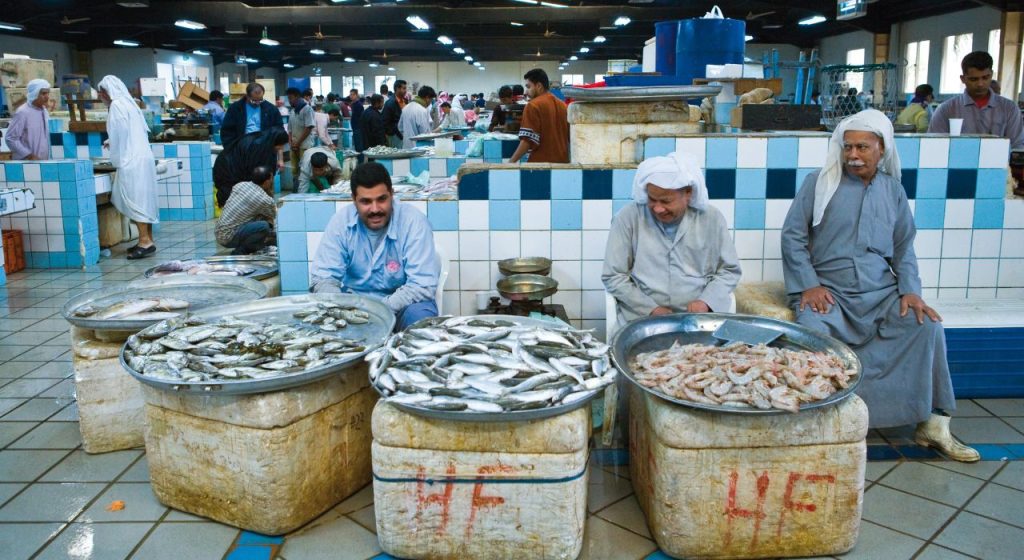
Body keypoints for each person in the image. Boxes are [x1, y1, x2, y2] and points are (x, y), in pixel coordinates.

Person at [781, 109, 979, 462]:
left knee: (926, 325)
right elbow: (793, 237)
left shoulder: (893, 190)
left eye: (862, 148)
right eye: (847, 147)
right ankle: (820, 422)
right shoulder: (819, 183)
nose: (853, 156)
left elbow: (903, 248)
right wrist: (808, 285)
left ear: (882, 149)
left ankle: (934, 423)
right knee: (812, 331)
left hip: (880, 293)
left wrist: (910, 291)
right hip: (832, 293)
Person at [603, 151, 741, 325]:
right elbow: (613, 276)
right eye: (652, 199)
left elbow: (729, 271)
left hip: (699, 320)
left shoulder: (711, 219)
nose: (658, 208)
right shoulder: (628, 218)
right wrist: (651, 309)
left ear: (688, 193)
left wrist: (706, 302)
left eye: (666, 201)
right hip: (641, 318)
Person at [310, 161, 440, 330]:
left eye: (382, 199)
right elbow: (323, 278)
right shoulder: (341, 222)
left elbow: (422, 285)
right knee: (321, 313)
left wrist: (379, 310)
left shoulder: (414, 222)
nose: (375, 209)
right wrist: (343, 310)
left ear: (392, 194)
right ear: (354, 200)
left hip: (402, 307)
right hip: (354, 308)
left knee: (421, 316)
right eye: (366, 201)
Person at [98, 75, 159, 260]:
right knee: (145, 200)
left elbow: (120, 134)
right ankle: (148, 239)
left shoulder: (116, 106)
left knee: (136, 201)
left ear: (106, 92)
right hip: (143, 157)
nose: (100, 96)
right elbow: (132, 131)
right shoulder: (130, 104)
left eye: (101, 93)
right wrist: (112, 141)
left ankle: (144, 242)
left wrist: (115, 158)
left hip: (131, 161)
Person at [929, 51, 1024, 149]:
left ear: (991, 75)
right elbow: (934, 146)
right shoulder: (946, 110)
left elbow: (1017, 147)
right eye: (973, 79)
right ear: (963, 79)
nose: (980, 84)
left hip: (1001, 164)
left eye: (985, 78)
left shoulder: (1009, 109)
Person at [213, 127, 289, 207]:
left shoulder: (266, 142)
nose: (281, 148)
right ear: (276, 142)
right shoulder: (258, 146)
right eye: (281, 145)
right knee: (234, 202)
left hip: (234, 167)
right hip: (227, 169)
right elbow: (254, 177)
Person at [510, 69, 569, 163]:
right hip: (562, 164)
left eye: (528, 87)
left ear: (539, 86)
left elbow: (527, 141)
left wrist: (511, 162)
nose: (526, 92)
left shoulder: (533, 106)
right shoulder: (563, 106)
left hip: (541, 166)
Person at [216, 165, 276, 255]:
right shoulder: (264, 200)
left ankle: (253, 245)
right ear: (267, 181)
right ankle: (241, 251)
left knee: (260, 217)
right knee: (264, 226)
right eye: (271, 179)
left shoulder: (240, 185)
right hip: (228, 238)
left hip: (219, 232)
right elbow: (274, 216)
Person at [220, 82, 284, 150]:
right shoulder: (235, 109)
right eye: (254, 101)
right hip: (242, 150)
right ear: (247, 96)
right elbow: (227, 131)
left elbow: (278, 129)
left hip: (264, 150)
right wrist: (231, 149)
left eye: (260, 100)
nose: (257, 103)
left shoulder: (271, 109)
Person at [6, 79, 51, 160]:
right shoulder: (23, 112)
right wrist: (29, 155)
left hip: (43, 163)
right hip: (26, 164)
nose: (47, 96)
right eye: (43, 93)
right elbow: (10, 138)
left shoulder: (44, 111)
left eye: (48, 93)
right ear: (34, 93)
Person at [287, 87, 316, 190]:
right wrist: (291, 142)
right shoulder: (292, 111)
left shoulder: (307, 109)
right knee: (294, 171)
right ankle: (295, 191)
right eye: (288, 98)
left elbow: (309, 127)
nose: (289, 101)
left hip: (304, 146)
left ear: (297, 97)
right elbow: (289, 129)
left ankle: (304, 193)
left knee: (305, 170)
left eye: (291, 98)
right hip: (294, 146)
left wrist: (298, 143)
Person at [382, 80, 407, 148]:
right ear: (397, 89)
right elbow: (385, 122)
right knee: (397, 156)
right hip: (395, 135)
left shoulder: (405, 101)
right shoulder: (390, 103)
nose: (405, 91)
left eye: (405, 88)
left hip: (404, 134)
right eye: (404, 88)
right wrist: (393, 133)